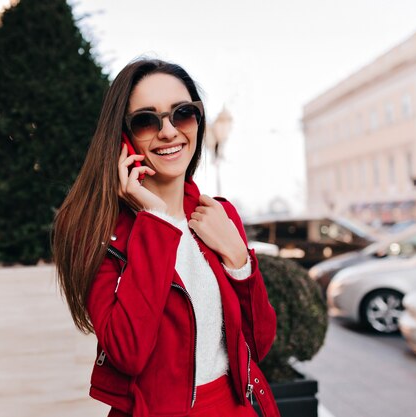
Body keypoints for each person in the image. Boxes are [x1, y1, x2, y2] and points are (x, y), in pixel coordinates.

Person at [51, 59, 280, 417]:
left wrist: (238, 259)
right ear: (123, 136)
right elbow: (128, 351)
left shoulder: (218, 215)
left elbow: (259, 342)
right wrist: (155, 219)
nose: (170, 131)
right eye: (146, 120)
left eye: (183, 114)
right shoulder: (95, 232)